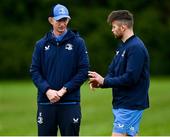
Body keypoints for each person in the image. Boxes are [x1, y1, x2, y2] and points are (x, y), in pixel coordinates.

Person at [30, 3, 89, 136]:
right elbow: (34, 71)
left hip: (70, 102)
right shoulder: (41, 44)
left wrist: (64, 90)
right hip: (46, 102)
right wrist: (47, 90)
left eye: (65, 20)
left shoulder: (78, 42)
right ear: (51, 20)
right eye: (59, 20)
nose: (62, 24)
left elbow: (83, 71)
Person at [88, 10, 150, 136]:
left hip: (130, 104)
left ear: (123, 27)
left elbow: (131, 78)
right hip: (122, 103)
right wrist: (101, 83)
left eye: (114, 27)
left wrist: (105, 81)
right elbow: (113, 71)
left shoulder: (136, 47)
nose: (112, 30)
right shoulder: (122, 47)